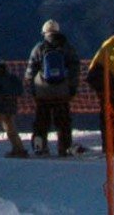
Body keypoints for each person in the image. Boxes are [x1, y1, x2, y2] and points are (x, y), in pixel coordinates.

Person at [26, 19, 79, 157]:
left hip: (42, 92)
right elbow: (74, 69)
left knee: (41, 121)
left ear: (44, 32)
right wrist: (71, 88)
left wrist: (33, 88)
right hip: (62, 92)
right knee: (63, 122)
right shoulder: (67, 47)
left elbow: (30, 71)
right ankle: (65, 148)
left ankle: (40, 146)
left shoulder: (39, 47)